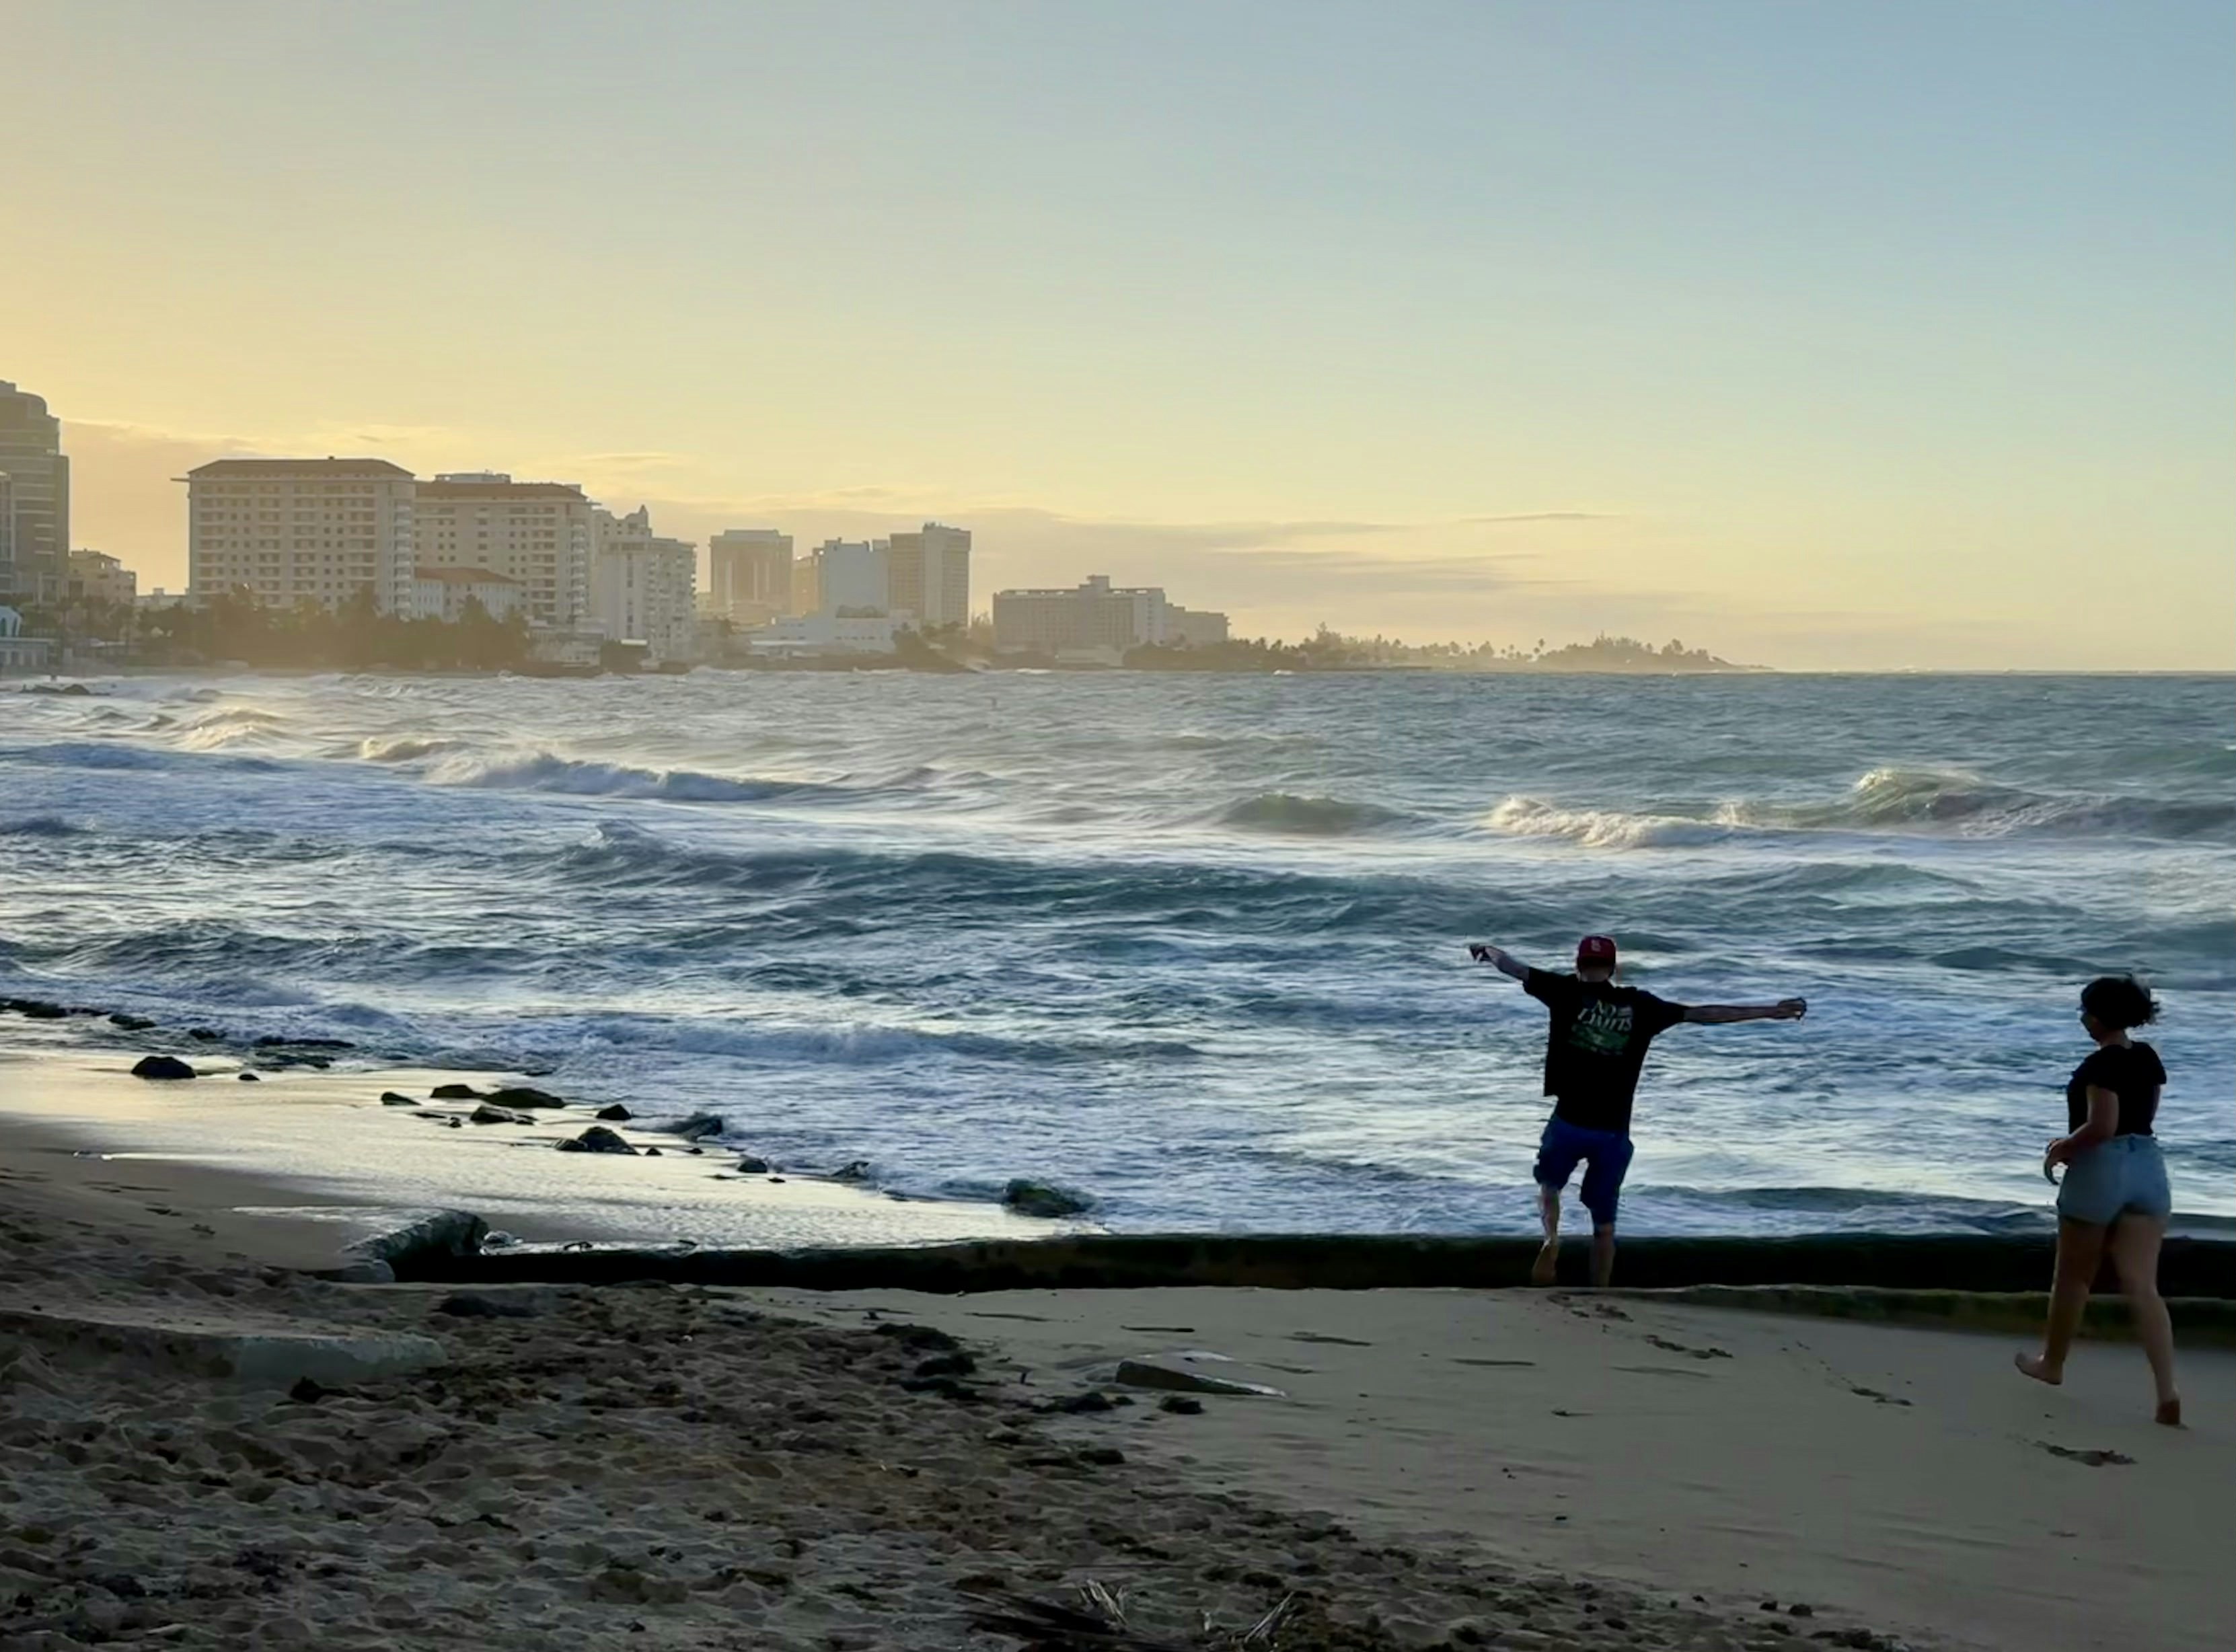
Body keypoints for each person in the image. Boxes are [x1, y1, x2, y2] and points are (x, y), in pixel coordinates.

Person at [1470, 934, 1806, 1287]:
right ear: (1613, 968)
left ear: (1578, 965)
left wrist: (1487, 951)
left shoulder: (1563, 991)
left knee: (1549, 1186)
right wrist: (1770, 1011)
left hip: (1569, 1121)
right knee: (1604, 1226)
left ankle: (1552, 1238)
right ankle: (1600, 1293)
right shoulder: (1642, 1007)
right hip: (1613, 1133)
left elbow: (1514, 967)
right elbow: (1703, 1014)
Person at [2017, 975, 2180, 1426]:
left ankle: (2052, 1364)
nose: (2082, 1018)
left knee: (2073, 1277)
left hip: (2103, 1169)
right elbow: (2141, 1118)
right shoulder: (2147, 1058)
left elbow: (2102, 1126)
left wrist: (2062, 1149)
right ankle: (2167, 1391)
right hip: (2148, 1166)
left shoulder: (2098, 1066)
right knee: (2142, 1284)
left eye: (2085, 1011)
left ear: (2099, 1016)